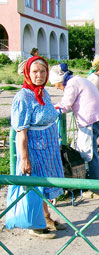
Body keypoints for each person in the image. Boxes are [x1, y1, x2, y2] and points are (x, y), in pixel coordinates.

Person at [11, 56, 65, 239]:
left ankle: (46, 217)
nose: (39, 75)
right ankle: (35, 224)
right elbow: (21, 131)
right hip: (34, 148)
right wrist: (24, 158)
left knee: (44, 184)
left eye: (42, 71)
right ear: (27, 73)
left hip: (48, 148)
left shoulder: (42, 92)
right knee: (34, 186)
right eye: (35, 72)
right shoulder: (23, 97)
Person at [50, 64, 99, 197]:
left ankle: (97, 189)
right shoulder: (78, 80)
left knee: (90, 154)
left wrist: (50, 110)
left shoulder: (72, 84)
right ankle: (94, 185)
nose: (57, 88)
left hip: (90, 121)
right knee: (92, 153)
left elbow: (65, 105)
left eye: (56, 85)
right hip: (96, 118)